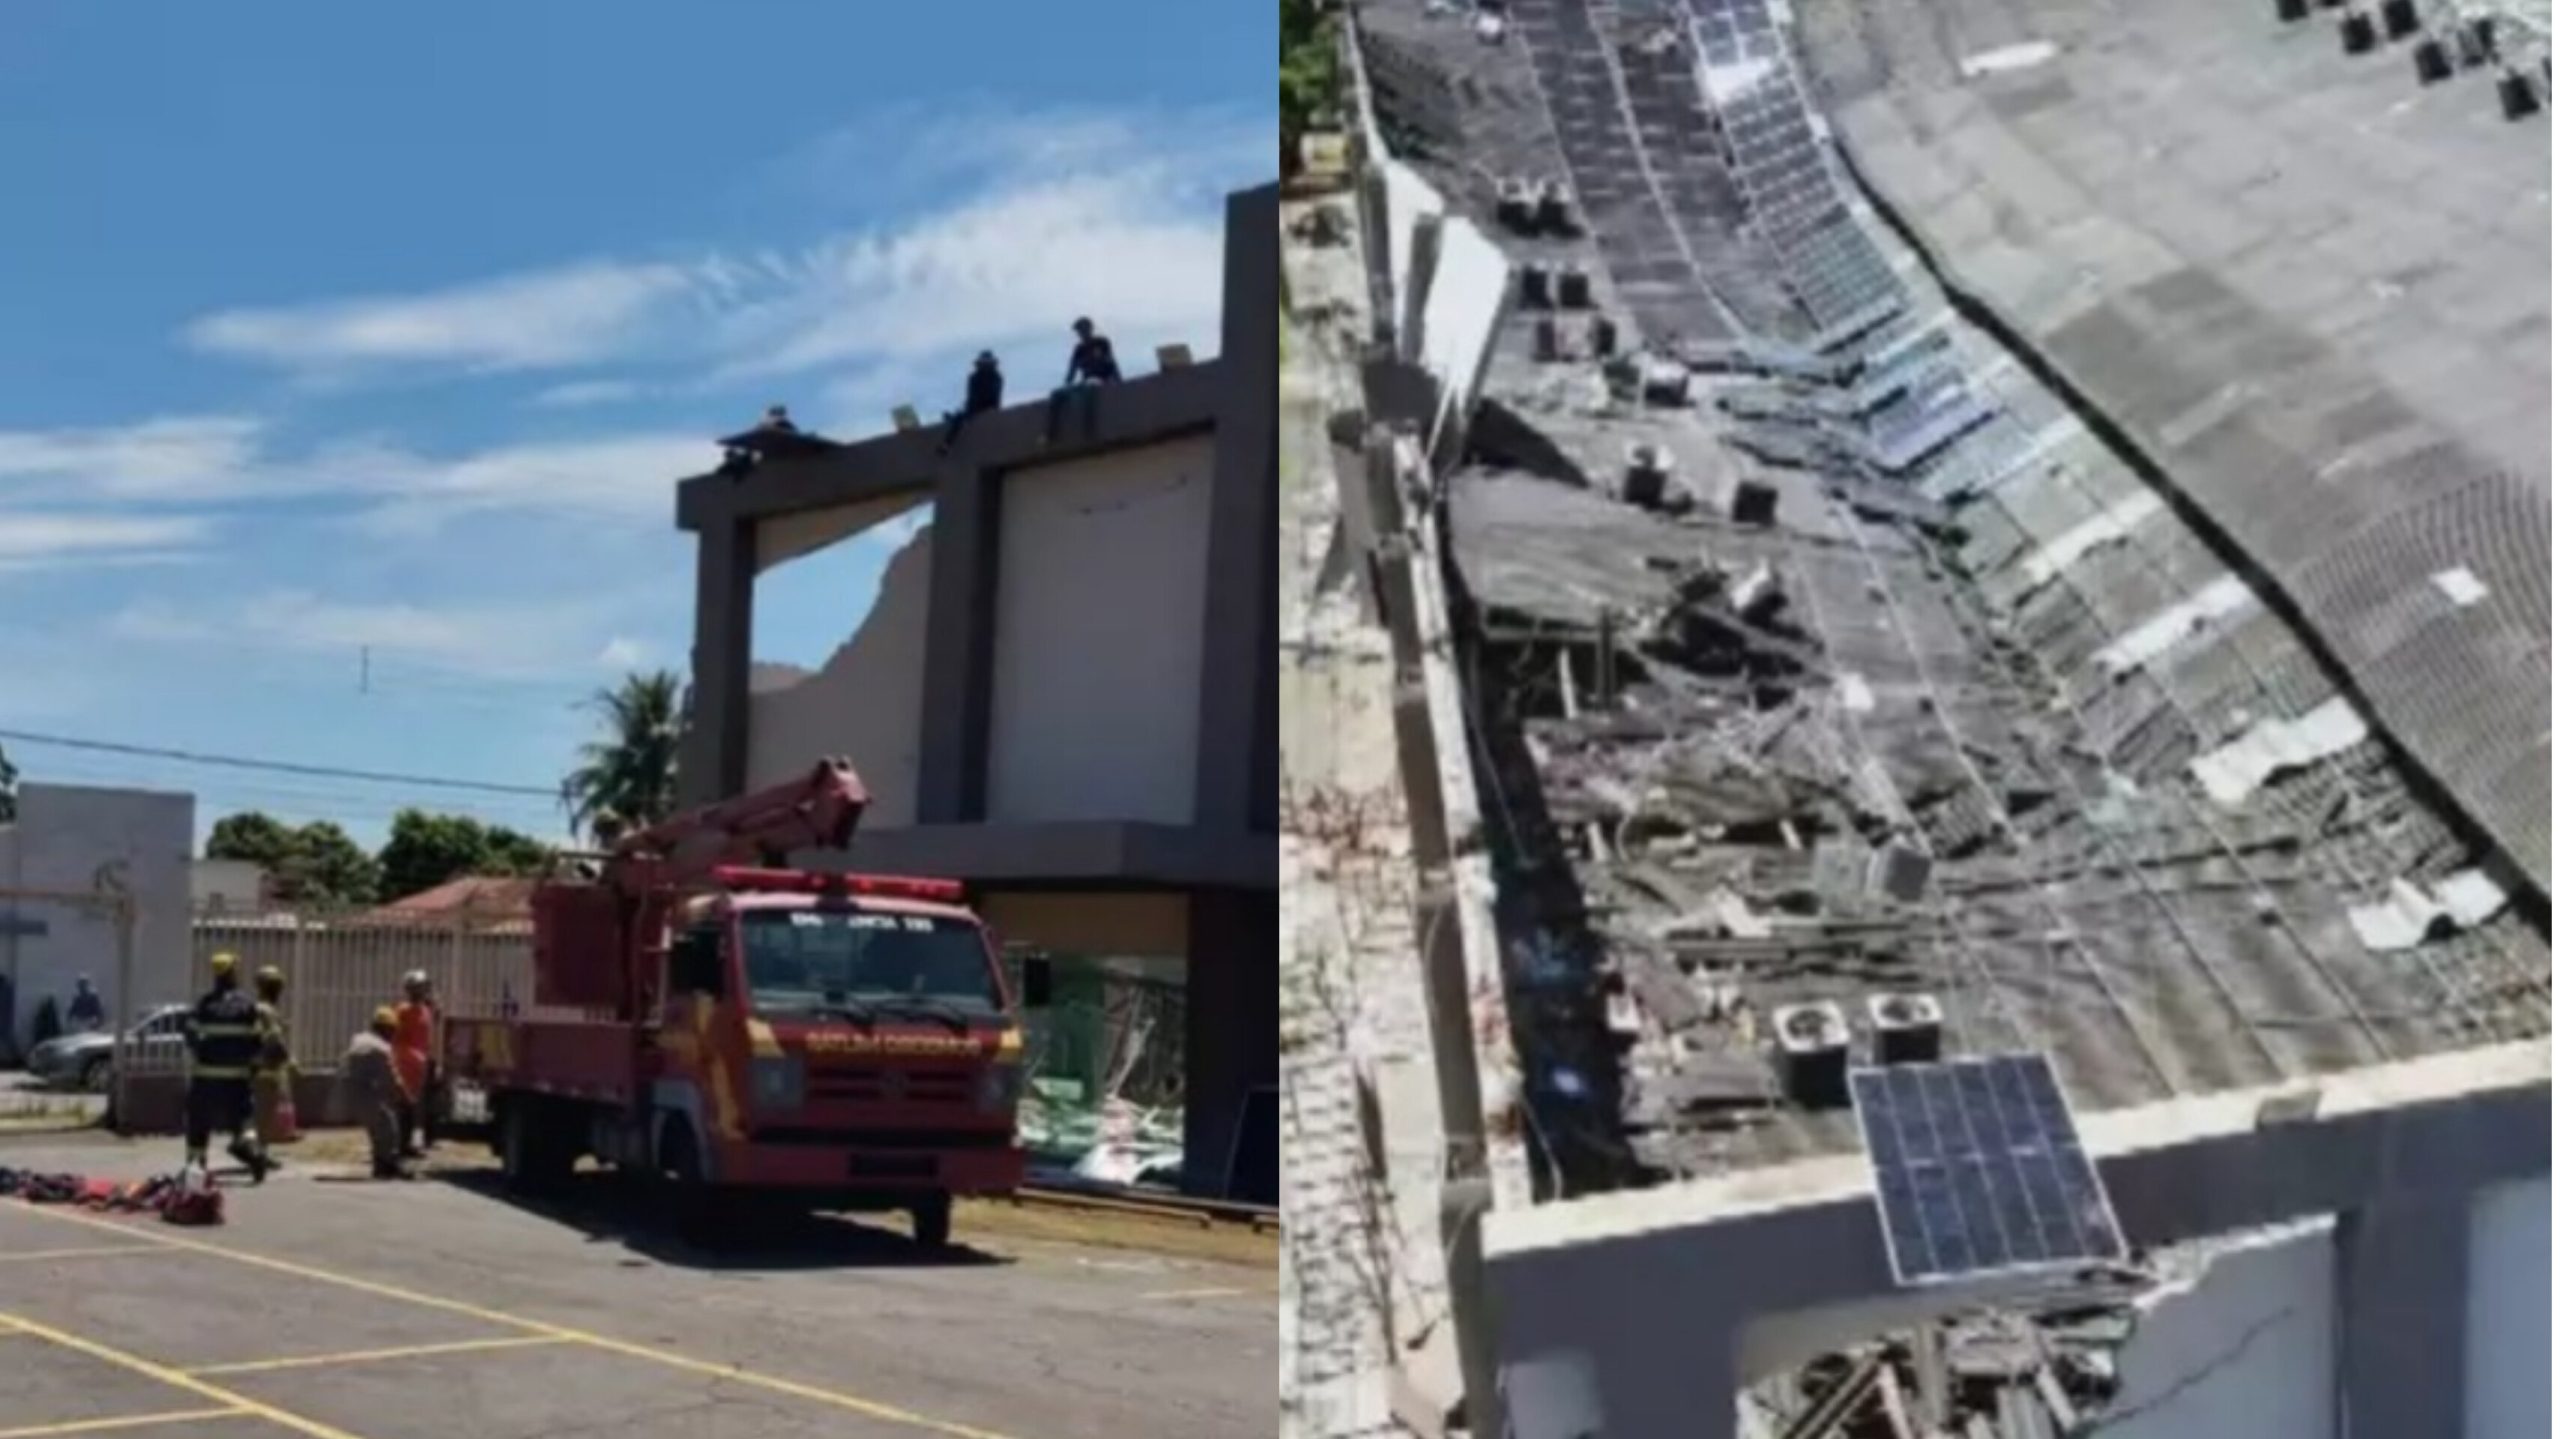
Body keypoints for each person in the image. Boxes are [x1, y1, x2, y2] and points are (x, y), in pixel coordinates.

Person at [182, 953, 271, 1184]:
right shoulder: (247, 1006)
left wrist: (202, 1052)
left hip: (206, 1078)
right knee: (243, 1121)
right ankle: (254, 1154)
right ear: (232, 973)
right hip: (238, 1078)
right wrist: (252, 1066)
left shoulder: (204, 1005)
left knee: (199, 1123)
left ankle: (195, 1168)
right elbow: (259, 1040)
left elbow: (189, 1034)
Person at [340, 1008, 409, 1180]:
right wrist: (405, 1096)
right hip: (365, 1093)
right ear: (386, 1029)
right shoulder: (381, 1048)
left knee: (377, 1130)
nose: (394, 1034)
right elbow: (391, 1078)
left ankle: (381, 1165)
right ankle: (388, 1165)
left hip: (349, 1092)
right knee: (389, 1127)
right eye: (392, 1030)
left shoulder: (359, 1039)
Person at [1046, 317, 1122, 443]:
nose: (1081, 333)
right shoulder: (1079, 349)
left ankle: (1089, 431)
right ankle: (1050, 435)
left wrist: (1118, 382)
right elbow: (1072, 370)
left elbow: (1112, 363)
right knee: (1056, 394)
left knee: (1088, 391)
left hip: (1102, 380)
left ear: (1090, 329)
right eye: (1079, 331)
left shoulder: (1101, 343)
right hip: (1086, 381)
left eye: (1083, 330)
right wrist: (1066, 386)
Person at [391, 971, 440, 1159]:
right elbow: (396, 1037)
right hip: (406, 1062)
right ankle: (400, 1144)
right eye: (418, 988)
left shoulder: (426, 1010)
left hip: (422, 1062)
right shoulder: (403, 1011)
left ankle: (411, 1142)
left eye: (423, 987)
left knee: (418, 1106)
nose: (421, 991)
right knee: (405, 1105)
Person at [250, 966, 296, 1159]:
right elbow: (274, 1039)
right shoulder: (266, 1010)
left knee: (263, 1113)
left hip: (260, 1067)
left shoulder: (261, 1009)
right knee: (264, 1113)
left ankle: (260, 1151)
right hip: (266, 1068)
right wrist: (289, 1060)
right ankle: (259, 1154)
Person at [937, 351, 1005, 455]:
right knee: (960, 417)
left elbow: (995, 396)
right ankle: (946, 444)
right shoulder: (974, 378)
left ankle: (950, 433)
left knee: (960, 417)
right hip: (974, 407)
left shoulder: (997, 377)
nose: (985, 366)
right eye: (983, 364)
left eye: (987, 364)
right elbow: (971, 396)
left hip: (989, 406)